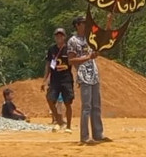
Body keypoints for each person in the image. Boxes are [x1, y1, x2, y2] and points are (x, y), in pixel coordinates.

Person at [67, 15, 111, 145]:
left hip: (94, 73)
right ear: (77, 25)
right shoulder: (73, 41)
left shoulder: (90, 38)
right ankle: (85, 136)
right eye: (83, 23)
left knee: (96, 105)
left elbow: (104, 37)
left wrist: (109, 20)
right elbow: (70, 60)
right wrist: (87, 57)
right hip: (83, 74)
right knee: (87, 106)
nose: (86, 25)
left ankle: (98, 133)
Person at [42, 27, 74, 133]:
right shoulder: (51, 49)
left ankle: (68, 126)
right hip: (55, 79)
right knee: (50, 99)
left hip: (66, 79)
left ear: (64, 37)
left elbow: (73, 62)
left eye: (61, 35)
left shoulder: (69, 48)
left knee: (67, 102)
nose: (59, 37)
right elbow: (48, 65)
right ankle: (59, 121)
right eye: (57, 35)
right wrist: (44, 80)